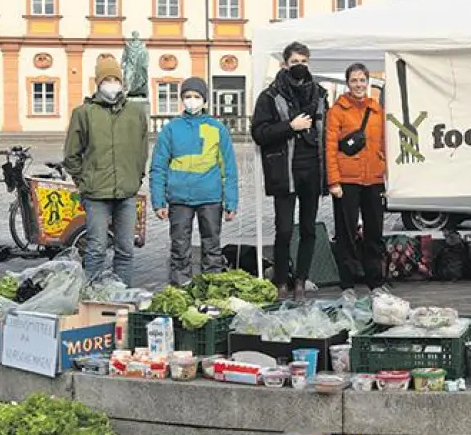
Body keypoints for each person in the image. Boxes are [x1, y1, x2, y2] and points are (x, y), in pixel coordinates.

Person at [252, 42, 329, 301]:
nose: (300, 66)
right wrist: (290, 126)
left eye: (304, 62)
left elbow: (326, 131)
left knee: (309, 229)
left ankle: (301, 281)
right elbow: (259, 133)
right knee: (284, 229)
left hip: (312, 170)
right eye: (295, 62)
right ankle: (281, 281)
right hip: (285, 172)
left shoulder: (319, 94)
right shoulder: (270, 96)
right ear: (285, 64)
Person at [64, 55, 150, 285]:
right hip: (96, 194)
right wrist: (84, 182)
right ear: (98, 82)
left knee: (125, 250)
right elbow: (71, 155)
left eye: (115, 78)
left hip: (126, 193)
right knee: (96, 249)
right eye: (107, 79)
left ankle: (122, 296)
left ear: (122, 82)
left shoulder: (135, 113)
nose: (112, 83)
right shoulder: (84, 113)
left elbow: (142, 150)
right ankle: (90, 294)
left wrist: (136, 177)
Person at [150, 77, 239, 285]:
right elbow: (158, 167)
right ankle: (181, 289)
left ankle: (212, 289)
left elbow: (229, 168)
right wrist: (158, 201)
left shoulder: (217, 129)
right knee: (179, 248)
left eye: (196, 96)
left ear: (205, 100)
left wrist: (231, 202)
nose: (192, 100)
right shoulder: (170, 129)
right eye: (188, 96)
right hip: (179, 199)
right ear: (182, 99)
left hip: (210, 197)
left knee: (212, 247)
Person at [325, 64, 388, 300]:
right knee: (346, 233)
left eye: (362, 80)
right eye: (354, 81)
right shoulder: (338, 111)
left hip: (373, 179)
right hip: (347, 181)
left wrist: (386, 174)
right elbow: (330, 148)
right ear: (348, 83)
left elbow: (384, 144)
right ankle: (347, 283)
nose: (359, 85)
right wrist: (333, 181)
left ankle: (376, 282)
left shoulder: (377, 111)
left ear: (368, 82)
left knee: (374, 232)